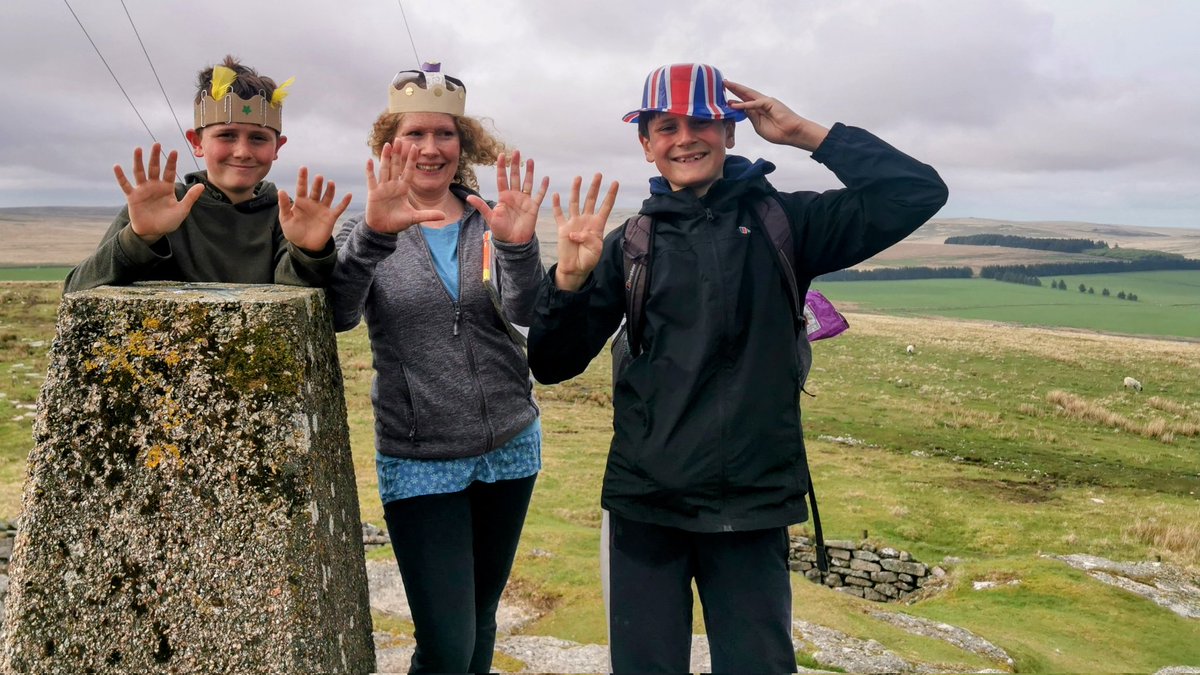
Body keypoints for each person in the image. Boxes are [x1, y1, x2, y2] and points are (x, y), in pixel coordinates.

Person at [528, 63, 949, 673]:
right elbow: (552, 364)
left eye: (702, 121)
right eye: (665, 127)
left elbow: (917, 192)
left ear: (730, 132)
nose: (685, 138)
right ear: (646, 144)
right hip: (647, 506)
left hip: (753, 502)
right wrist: (568, 282)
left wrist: (808, 133)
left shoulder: (789, 223)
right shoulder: (629, 244)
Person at [327, 62, 560, 674]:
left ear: (465, 144)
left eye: (446, 134)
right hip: (419, 455)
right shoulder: (366, 227)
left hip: (509, 445)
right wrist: (374, 237)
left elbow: (526, 310)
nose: (431, 148)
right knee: (447, 646)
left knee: (481, 619)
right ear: (388, 145)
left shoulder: (491, 218)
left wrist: (516, 244)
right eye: (414, 134)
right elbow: (339, 315)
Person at [64, 55, 348, 292]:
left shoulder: (285, 216)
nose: (242, 151)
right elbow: (76, 289)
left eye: (258, 138)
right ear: (197, 143)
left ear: (278, 147)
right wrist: (139, 238)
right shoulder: (162, 205)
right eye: (227, 135)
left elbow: (295, 296)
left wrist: (309, 253)